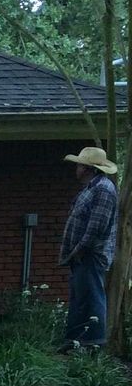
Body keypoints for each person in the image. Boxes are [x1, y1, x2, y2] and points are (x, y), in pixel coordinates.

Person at [58, 145, 120, 351]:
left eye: (79, 165)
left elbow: (97, 226)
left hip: (91, 254)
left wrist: (80, 249)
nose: (76, 169)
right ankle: (74, 341)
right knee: (80, 297)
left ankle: (93, 343)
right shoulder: (92, 187)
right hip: (82, 254)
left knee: (92, 297)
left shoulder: (103, 189)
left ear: (88, 168)